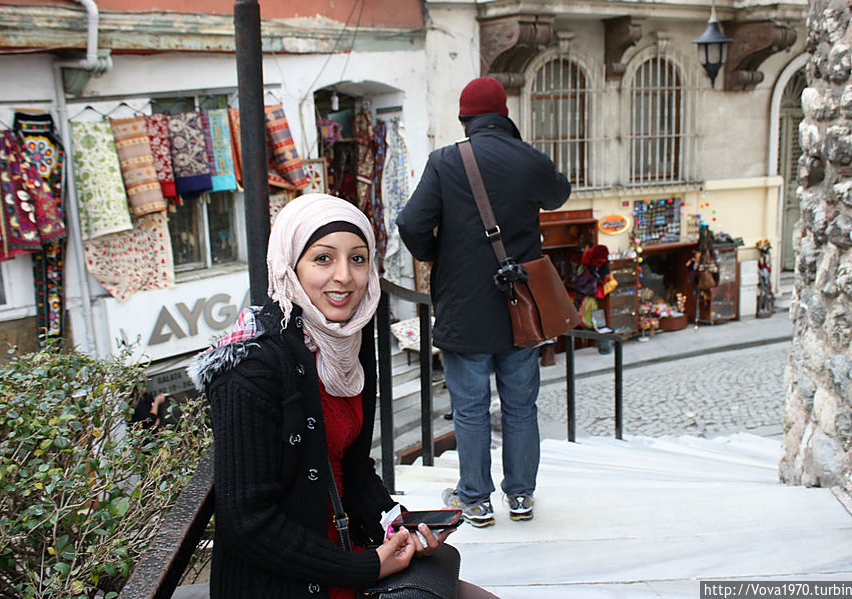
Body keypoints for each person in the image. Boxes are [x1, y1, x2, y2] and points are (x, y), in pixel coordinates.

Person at [189, 193, 497, 598]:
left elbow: (351, 469)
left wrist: (399, 527)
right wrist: (366, 565)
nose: (345, 277)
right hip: (289, 580)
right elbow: (247, 523)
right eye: (322, 258)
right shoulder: (252, 365)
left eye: (357, 258)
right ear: (289, 266)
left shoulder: (348, 342)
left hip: (345, 552)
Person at [397, 77, 571, 527]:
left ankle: (474, 499)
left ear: (464, 119)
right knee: (520, 406)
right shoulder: (528, 159)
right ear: (505, 115)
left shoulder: (444, 162)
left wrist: (438, 255)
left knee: (470, 409)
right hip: (521, 310)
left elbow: (412, 222)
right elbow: (559, 194)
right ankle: (521, 497)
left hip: (464, 307)